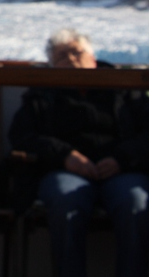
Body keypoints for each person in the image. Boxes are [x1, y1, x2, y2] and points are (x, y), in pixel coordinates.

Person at [8, 29, 149, 277]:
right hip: (64, 171)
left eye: (77, 52)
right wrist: (65, 155)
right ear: (52, 65)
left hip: (122, 169)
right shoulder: (42, 94)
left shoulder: (124, 86)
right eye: (62, 56)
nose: (71, 59)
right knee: (66, 201)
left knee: (136, 202)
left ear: (93, 57)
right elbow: (22, 136)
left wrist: (122, 159)